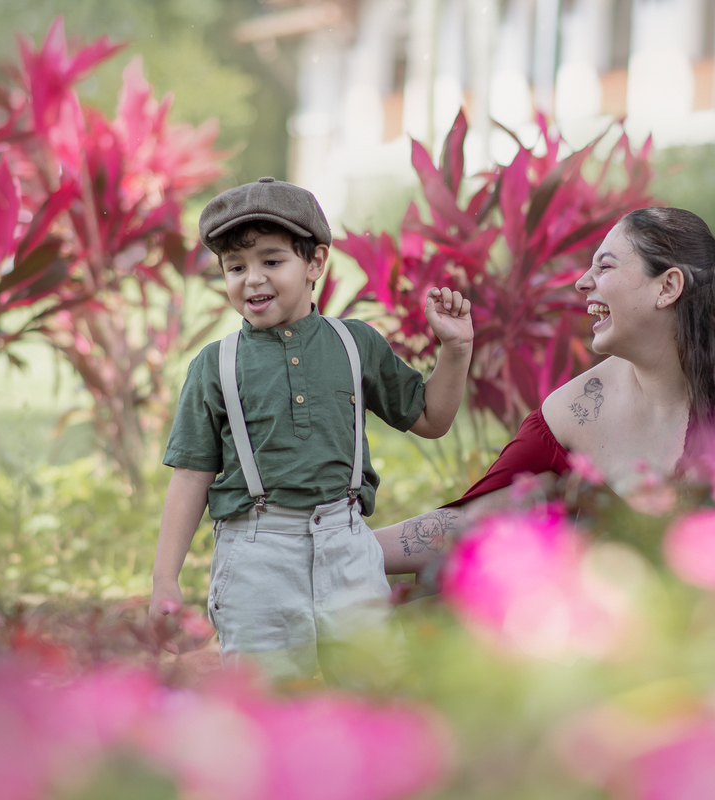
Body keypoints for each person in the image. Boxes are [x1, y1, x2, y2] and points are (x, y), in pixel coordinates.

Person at [374, 206, 715, 574]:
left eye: (604, 267)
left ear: (667, 288)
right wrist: (340, 551)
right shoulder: (577, 411)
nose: (582, 283)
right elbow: (473, 521)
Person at [148, 177, 474, 681]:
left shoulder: (354, 343)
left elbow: (432, 419)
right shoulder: (215, 365)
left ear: (315, 263)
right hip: (257, 556)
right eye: (236, 267)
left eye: (271, 262)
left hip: (347, 547)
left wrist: (455, 351)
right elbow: (191, 476)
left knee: (374, 687)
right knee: (266, 701)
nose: (252, 279)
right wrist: (164, 578)